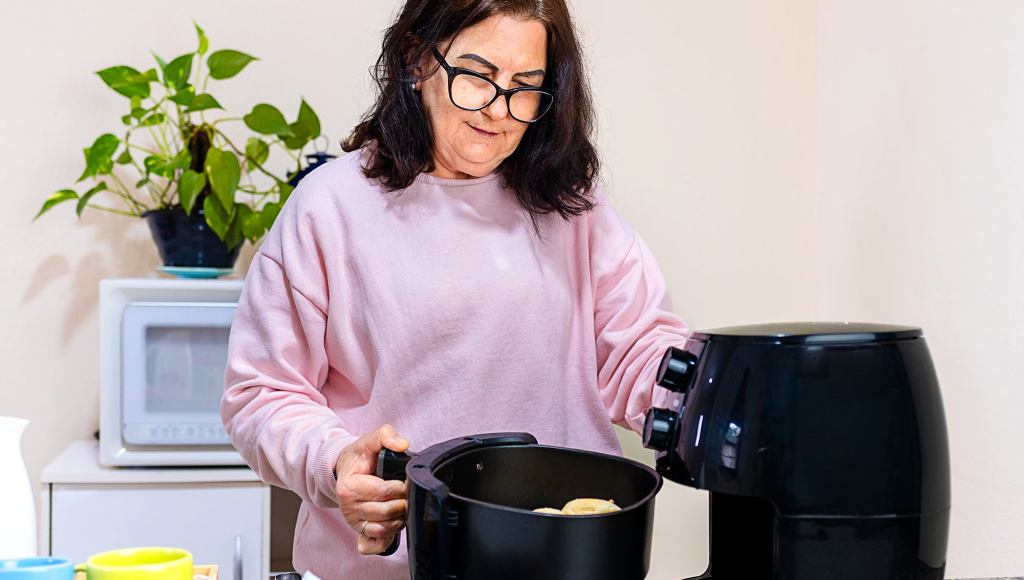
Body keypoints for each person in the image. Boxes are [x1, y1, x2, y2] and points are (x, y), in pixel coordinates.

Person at [220, 0, 690, 578]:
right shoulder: (330, 208)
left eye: (525, 86)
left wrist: (703, 399)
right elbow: (260, 394)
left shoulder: (574, 207)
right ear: (418, 61)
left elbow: (639, 352)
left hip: (561, 559)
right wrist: (333, 460)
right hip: (393, 565)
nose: (499, 109)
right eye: (476, 75)